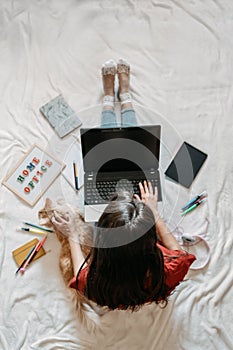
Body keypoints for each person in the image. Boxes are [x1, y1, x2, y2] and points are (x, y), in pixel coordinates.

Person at [52, 59, 196, 311]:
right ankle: (124, 96)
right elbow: (179, 254)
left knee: (109, 149)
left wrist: (73, 235)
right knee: (134, 148)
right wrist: (154, 212)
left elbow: (79, 271)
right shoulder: (168, 271)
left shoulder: (95, 283)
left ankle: (111, 97)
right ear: (149, 243)